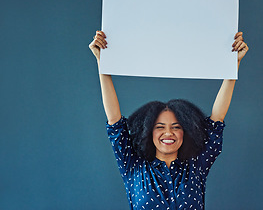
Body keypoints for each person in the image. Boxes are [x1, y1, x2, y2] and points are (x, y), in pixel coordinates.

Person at [89, 30, 249, 210]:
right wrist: (103, 63)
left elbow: (217, 119)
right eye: (160, 127)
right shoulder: (133, 167)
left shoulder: (195, 168)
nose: (168, 133)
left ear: (185, 132)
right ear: (148, 132)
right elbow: (114, 121)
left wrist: (233, 64)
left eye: (176, 127)